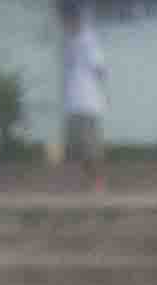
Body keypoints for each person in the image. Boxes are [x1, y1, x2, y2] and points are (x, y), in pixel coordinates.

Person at [56, 0, 107, 185]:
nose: (63, 23)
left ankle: (97, 181)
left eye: (66, 19)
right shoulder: (68, 40)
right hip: (72, 101)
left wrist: (95, 92)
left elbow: (100, 69)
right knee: (75, 147)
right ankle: (83, 181)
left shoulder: (88, 39)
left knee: (90, 146)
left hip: (87, 101)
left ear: (74, 18)